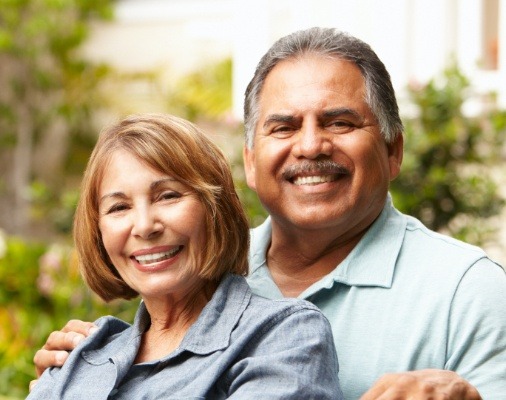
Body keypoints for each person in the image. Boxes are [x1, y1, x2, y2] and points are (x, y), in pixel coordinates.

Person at [33, 28, 506, 399]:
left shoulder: (470, 290)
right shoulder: (195, 270)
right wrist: (79, 374)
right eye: (283, 127)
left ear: (393, 150)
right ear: (251, 163)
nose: (310, 145)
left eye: (340, 122)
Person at [27, 113, 343, 399]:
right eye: (119, 207)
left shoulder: (283, 336)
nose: (145, 226)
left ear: (214, 209)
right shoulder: (80, 354)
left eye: (168, 196)